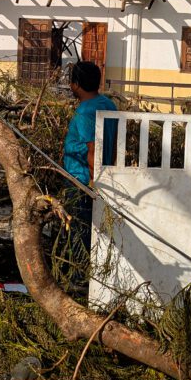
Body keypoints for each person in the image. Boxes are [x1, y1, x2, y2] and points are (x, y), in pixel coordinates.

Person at [62, 61, 118, 260]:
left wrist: (94, 183)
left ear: (76, 84)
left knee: (80, 232)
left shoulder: (86, 111)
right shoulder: (109, 104)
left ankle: (79, 280)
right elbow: (114, 143)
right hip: (103, 177)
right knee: (92, 231)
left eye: (71, 82)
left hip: (82, 181)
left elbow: (93, 148)